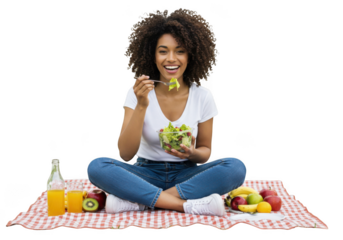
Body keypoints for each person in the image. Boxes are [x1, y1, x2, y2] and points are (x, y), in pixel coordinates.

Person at [87, 8, 247, 217]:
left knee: (236, 167)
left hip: (188, 175)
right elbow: (125, 154)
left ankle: (143, 201)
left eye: (180, 51)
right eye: (163, 51)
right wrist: (142, 105)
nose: (171, 59)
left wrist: (192, 152)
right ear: (152, 55)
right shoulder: (137, 93)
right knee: (97, 166)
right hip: (144, 173)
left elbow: (205, 152)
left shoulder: (203, 95)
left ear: (191, 54)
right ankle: (182, 205)